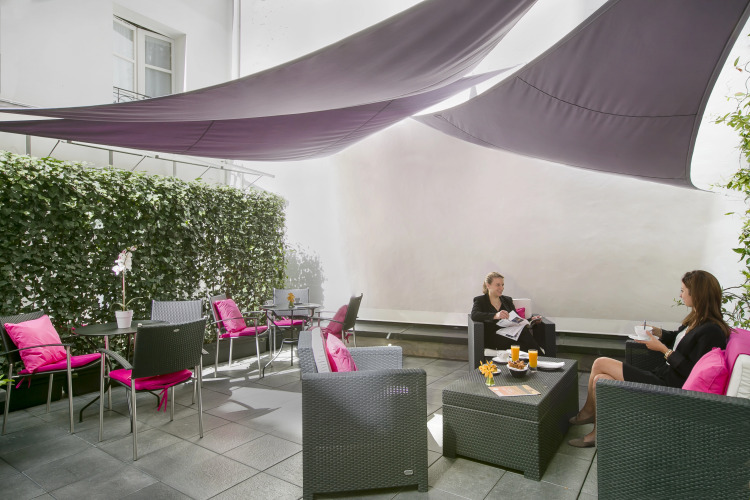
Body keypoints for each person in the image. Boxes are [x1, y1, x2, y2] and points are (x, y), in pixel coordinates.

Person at [568, 270, 730, 448]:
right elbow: (679, 338)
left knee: (601, 363)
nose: (680, 295)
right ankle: (596, 434)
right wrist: (658, 332)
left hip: (670, 386)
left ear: (697, 294)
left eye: (683, 291)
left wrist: (663, 350)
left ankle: (588, 413)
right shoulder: (696, 319)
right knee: (600, 379)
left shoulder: (712, 331)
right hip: (662, 375)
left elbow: (692, 372)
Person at [471, 271, 542, 355]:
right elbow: (474, 315)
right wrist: (495, 315)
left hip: (510, 335)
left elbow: (516, 319)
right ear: (488, 285)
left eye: (502, 285)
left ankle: (534, 360)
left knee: (522, 343)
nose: (501, 288)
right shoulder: (480, 300)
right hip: (493, 337)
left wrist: (531, 320)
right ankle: (545, 358)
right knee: (525, 338)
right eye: (498, 285)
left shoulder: (507, 300)